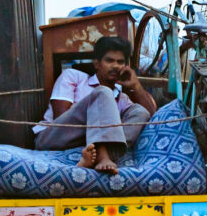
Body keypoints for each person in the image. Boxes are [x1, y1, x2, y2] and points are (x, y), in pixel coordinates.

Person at [34, 36, 157, 174]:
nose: (115, 66)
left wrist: (136, 86)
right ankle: (102, 155)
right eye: (109, 60)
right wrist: (98, 118)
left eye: (120, 62)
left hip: (86, 144)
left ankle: (97, 156)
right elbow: (61, 119)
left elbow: (152, 117)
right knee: (103, 92)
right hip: (52, 137)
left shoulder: (121, 96)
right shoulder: (73, 76)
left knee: (140, 111)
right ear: (97, 63)